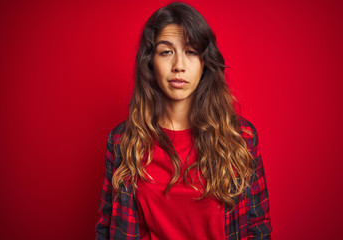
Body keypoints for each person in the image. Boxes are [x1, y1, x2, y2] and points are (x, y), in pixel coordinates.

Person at [95, 2, 271, 240]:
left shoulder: (241, 138)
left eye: (190, 51)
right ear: (150, 61)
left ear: (204, 62)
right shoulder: (122, 142)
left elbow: (257, 227)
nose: (179, 66)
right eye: (166, 52)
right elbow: (107, 229)